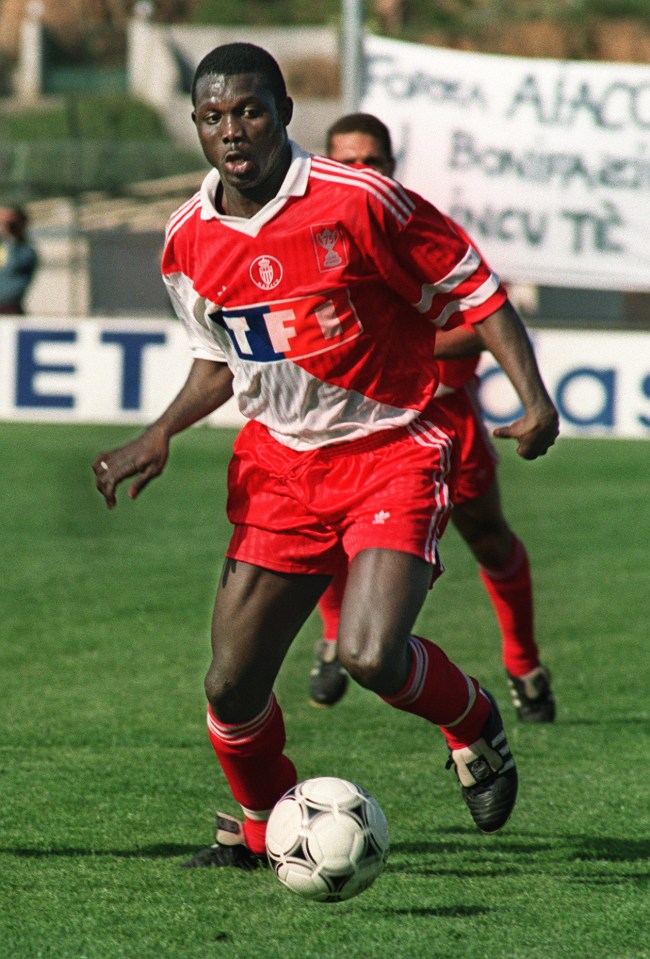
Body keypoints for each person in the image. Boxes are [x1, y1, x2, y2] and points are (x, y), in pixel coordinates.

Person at [92, 43, 559, 869]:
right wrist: (159, 431)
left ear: (283, 112)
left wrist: (534, 396)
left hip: (390, 448)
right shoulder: (187, 239)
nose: (231, 130)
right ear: (196, 126)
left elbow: (477, 286)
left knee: (370, 653)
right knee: (229, 688)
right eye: (212, 116)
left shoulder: (360, 200)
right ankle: (259, 823)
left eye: (249, 111)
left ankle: (473, 716)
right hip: (278, 467)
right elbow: (223, 358)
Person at [308, 113, 555, 724]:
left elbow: (482, 317)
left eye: (372, 162)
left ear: (392, 168)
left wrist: (397, 347)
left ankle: (524, 665)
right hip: (350, 422)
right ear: (325, 164)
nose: (360, 173)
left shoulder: (413, 227)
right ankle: (336, 637)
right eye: (346, 161)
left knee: (489, 538)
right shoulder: (311, 237)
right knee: (325, 537)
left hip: (441, 420)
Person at [0, 205, 38, 315]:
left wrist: (12, 238)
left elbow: (13, 266)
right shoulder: (3, 246)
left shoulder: (26, 251)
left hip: (9, 308)